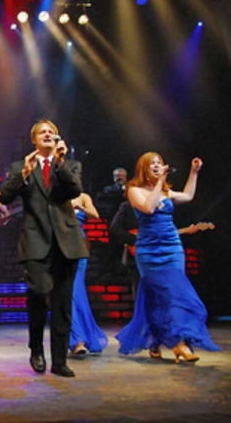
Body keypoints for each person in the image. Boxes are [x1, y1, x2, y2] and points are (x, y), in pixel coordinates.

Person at [0, 119, 88, 378]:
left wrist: (60, 163)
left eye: (52, 132)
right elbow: (5, 196)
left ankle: (59, 361)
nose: (48, 135)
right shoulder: (21, 167)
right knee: (38, 292)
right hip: (35, 239)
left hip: (66, 241)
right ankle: (36, 348)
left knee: (62, 303)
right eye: (43, 132)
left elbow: (74, 191)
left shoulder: (70, 165)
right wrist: (24, 174)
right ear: (34, 140)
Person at [116, 153, 220, 362]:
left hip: (172, 247)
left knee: (176, 294)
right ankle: (155, 340)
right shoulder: (134, 190)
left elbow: (188, 196)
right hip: (149, 250)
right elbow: (148, 208)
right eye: (152, 164)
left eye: (159, 163)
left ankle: (181, 344)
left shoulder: (165, 191)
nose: (157, 166)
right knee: (156, 296)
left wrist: (194, 172)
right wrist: (160, 182)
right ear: (144, 169)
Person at [69, 192, 108, 356]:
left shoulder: (83, 197)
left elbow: (95, 215)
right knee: (68, 294)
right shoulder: (53, 195)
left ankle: (79, 339)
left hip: (79, 246)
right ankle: (77, 339)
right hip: (58, 247)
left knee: (77, 293)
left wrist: (81, 207)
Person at [109, 197, 140, 301]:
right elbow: (115, 227)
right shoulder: (128, 206)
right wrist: (133, 240)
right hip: (136, 255)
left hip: (158, 252)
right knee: (138, 290)